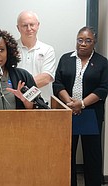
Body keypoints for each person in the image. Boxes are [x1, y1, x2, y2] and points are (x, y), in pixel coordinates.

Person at [53, 26, 108, 186]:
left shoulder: (102, 62)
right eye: (80, 40)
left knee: (92, 154)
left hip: (90, 113)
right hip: (67, 112)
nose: (83, 44)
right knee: (67, 153)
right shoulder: (65, 59)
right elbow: (58, 83)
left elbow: (103, 88)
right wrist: (70, 102)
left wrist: (82, 104)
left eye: (88, 40)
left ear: (94, 42)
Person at [16, 10, 56, 105]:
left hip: (41, 103)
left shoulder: (48, 50)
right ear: (18, 28)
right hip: (16, 103)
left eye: (32, 25)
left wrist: (21, 90)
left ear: (38, 25)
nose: (29, 28)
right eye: (25, 25)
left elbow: (46, 78)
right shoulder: (10, 49)